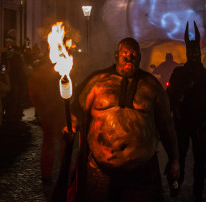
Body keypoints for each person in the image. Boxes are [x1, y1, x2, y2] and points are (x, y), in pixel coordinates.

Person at [68, 37, 179, 201]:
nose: (129, 58)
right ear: (116, 55)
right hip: (100, 172)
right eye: (124, 54)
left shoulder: (152, 86)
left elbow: (167, 126)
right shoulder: (97, 82)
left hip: (142, 175)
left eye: (133, 54)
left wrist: (174, 159)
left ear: (140, 57)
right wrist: (71, 126)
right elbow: (77, 113)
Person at [166, 22, 206, 202]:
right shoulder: (178, 74)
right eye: (190, 53)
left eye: (195, 53)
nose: (193, 56)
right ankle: (177, 183)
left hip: (200, 125)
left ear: (199, 55)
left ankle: (198, 191)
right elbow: (169, 97)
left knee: (200, 160)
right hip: (182, 124)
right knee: (180, 157)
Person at [28, 54, 66, 183]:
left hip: (57, 111)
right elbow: (34, 91)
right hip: (52, 112)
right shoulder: (44, 72)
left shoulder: (64, 68)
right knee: (55, 142)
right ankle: (52, 172)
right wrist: (42, 110)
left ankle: (56, 171)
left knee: (59, 142)